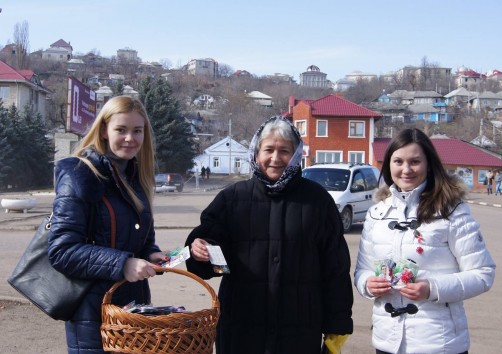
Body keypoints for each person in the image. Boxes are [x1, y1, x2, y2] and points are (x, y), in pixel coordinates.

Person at [185, 116, 353, 354]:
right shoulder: (232, 198)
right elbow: (211, 248)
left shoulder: (318, 202)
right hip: (241, 328)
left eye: (284, 151)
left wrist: (337, 325)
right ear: (256, 153)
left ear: (296, 155)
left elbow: (335, 269)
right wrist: (200, 249)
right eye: (269, 150)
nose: (275, 158)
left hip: (299, 331)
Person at [354, 128, 496, 354]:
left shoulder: (452, 212)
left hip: (439, 343)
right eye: (398, 161)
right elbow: (362, 270)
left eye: (415, 161)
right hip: (387, 341)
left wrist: (432, 288)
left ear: (429, 163)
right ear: (388, 165)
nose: (406, 169)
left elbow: (483, 274)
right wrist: (367, 285)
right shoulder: (376, 214)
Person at [48, 96, 170, 353]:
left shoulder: (136, 177)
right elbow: (62, 251)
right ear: (104, 130)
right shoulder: (79, 174)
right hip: (92, 317)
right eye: (121, 130)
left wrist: (151, 253)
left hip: (132, 311)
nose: (130, 138)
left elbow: (141, 240)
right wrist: (123, 263)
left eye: (137, 131)